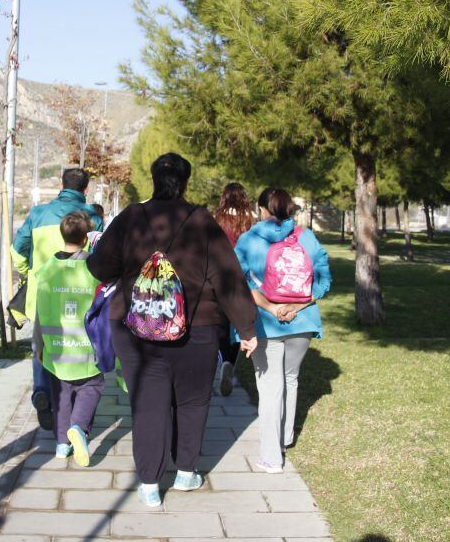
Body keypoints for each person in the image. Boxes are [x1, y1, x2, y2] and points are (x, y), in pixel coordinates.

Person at [87, 153, 258, 508]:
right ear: (186, 181)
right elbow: (227, 277)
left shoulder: (131, 217)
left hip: (136, 329)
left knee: (147, 403)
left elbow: (99, 265)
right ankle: (185, 473)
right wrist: (246, 327)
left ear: (152, 178)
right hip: (197, 328)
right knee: (192, 400)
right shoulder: (201, 221)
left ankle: (149, 482)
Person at [234, 187, 330, 472]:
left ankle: (272, 457)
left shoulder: (249, 240)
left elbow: (240, 283)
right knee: (291, 378)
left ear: (262, 209)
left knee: (269, 387)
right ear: (290, 209)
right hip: (303, 321)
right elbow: (324, 279)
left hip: (266, 321)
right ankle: (286, 437)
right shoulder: (307, 237)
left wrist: (273, 308)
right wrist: (298, 307)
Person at [11, 169, 103, 431]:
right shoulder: (93, 216)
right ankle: (76, 411)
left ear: (61, 185)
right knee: (80, 351)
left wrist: (28, 273)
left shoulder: (38, 214)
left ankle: (43, 392)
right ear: (85, 190)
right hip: (81, 295)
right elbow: (101, 252)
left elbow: (17, 250)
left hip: (45, 293)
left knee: (41, 346)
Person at [33, 211, 103, 467]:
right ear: (86, 239)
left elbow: (40, 312)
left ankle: (62, 444)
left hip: (56, 349)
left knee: (60, 396)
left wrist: (38, 345)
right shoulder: (93, 268)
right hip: (86, 348)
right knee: (91, 387)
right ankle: (78, 427)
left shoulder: (47, 270)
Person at [213, 183, 256, 396]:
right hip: (244, 278)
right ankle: (231, 360)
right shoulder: (250, 220)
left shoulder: (217, 218)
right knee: (240, 322)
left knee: (221, 324)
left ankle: (222, 361)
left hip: (220, 277)